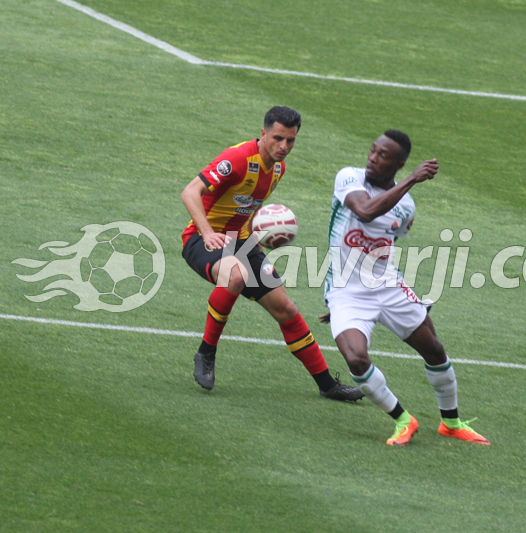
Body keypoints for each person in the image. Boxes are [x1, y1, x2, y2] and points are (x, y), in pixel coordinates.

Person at [180, 106, 363, 402]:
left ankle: (327, 384)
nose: (284, 147)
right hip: (203, 239)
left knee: (286, 309)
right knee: (235, 276)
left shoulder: (278, 168)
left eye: (290, 141)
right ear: (263, 133)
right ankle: (206, 353)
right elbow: (190, 192)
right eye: (278, 138)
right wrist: (207, 232)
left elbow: (247, 207)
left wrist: (257, 236)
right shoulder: (236, 159)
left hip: (242, 243)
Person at [321, 130, 490, 446]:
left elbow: (386, 246)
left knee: (434, 349)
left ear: (397, 163)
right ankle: (403, 420)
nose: (372, 157)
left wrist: (402, 289)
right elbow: (365, 211)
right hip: (346, 292)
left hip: (387, 286)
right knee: (356, 358)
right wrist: (412, 179)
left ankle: (450, 423)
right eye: (372, 150)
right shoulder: (349, 178)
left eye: (382, 155)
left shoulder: (406, 207)